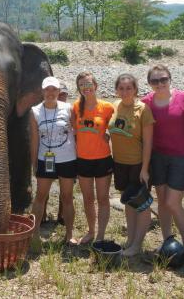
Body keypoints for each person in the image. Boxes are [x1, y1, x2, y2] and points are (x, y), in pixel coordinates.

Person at [142, 64, 184, 251]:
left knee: (173, 202)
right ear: (149, 83)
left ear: (170, 79)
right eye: (155, 80)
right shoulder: (146, 102)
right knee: (162, 200)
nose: (160, 83)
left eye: (163, 79)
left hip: (182, 157)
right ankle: (167, 240)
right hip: (158, 157)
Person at [109, 74, 154, 256]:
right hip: (119, 163)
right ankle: (130, 239)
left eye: (129, 88)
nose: (125, 91)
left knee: (142, 205)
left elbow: (149, 143)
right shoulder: (114, 106)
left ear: (135, 89)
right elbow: (109, 128)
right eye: (121, 88)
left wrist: (144, 169)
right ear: (116, 90)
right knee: (128, 201)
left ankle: (137, 244)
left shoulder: (143, 109)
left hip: (137, 164)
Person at [30, 77, 78, 245]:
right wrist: (34, 162)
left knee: (67, 197)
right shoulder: (35, 111)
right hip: (46, 159)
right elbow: (34, 139)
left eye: (54, 90)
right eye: (47, 90)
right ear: (42, 92)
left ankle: (69, 234)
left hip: (68, 159)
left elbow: (77, 132)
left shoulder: (69, 108)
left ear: (59, 92)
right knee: (40, 196)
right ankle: (34, 233)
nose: (50, 93)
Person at [72, 72, 114, 244]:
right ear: (79, 88)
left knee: (103, 198)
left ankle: (101, 235)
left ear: (96, 86)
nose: (86, 87)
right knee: (88, 198)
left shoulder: (107, 107)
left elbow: (117, 126)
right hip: (83, 159)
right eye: (82, 84)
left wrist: (110, 133)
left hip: (103, 158)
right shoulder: (75, 106)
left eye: (89, 84)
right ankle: (91, 231)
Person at [42, 81, 69, 225]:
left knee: (66, 189)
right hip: (49, 156)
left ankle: (62, 215)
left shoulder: (71, 110)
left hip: (67, 157)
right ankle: (42, 215)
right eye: (60, 94)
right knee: (45, 185)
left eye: (64, 94)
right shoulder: (43, 110)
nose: (61, 97)